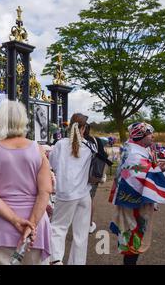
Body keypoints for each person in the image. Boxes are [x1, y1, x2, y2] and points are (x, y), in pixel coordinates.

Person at [0, 100, 52, 265]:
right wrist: (31, 224)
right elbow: (45, 191)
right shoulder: (37, 149)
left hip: (0, 225)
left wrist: (15, 220)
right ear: (23, 120)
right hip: (36, 227)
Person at [109, 122, 165, 265]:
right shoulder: (134, 154)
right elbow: (139, 174)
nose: (153, 136)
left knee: (132, 236)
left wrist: (154, 168)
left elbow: (143, 170)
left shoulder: (134, 149)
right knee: (133, 237)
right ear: (140, 135)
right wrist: (158, 171)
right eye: (149, 133)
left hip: (131, 201)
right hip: (133, 204)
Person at [48, 113, 93, 265]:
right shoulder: (89, 146)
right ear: (83, 128)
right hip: (84, 193)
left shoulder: (60, 144)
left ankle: (56, 260)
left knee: (58, 228)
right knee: (81, 234)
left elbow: (52, 165)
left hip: (66, 193)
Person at [83, 124, 112, 234]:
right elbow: (104, 155)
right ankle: (89, 225)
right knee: (89, 200)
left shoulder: (74, 141)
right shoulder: (96, 140)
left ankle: (80, 223)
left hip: (78, 176)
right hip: (93, 175)